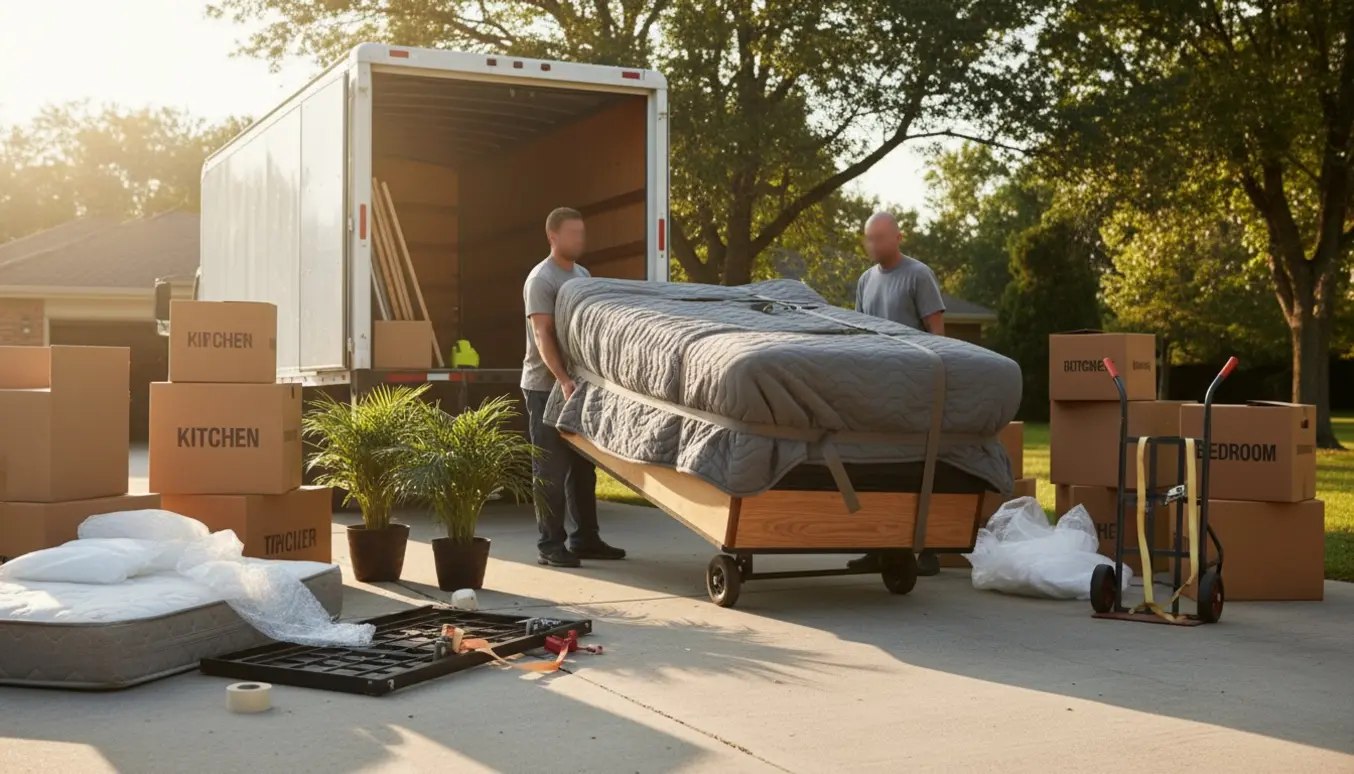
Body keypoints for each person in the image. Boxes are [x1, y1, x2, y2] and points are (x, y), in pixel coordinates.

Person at [521, 207, 627, 568]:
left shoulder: (582, 276)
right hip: (545, 386)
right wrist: (562, 379)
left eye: (582, 232)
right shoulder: (541, 279)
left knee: (584, 467)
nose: (580, 239)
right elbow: (543, 334)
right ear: (553, 236)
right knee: (550, 469)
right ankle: (550, 545)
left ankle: (586, 539)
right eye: (572, 233)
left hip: (579, 386)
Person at [848, 211, 946, 577]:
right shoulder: (865, 280)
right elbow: (859, 333)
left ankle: (929, 550)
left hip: (914, 387)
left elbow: (937, 333)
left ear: (897, 238)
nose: (873, 244)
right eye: (869, 238)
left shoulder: (918, 275)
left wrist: (932, 382)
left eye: (880, 237)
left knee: (919, 468)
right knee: (876, 468)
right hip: (876, 387)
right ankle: (878, 548)